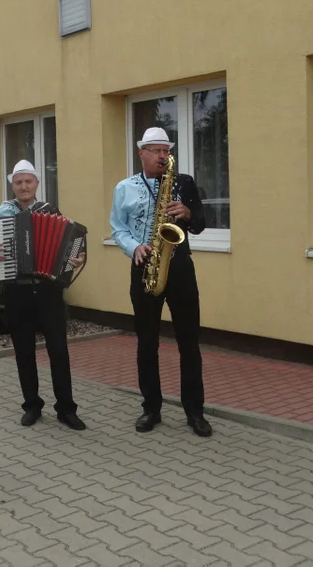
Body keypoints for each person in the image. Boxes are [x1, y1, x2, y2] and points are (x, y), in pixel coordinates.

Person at [110, 128, 212, 438]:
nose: (160, 155)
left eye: (164, 149)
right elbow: (117, 229)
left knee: (189, 343)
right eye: (154, 150)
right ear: (140, 153)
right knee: (147, 342)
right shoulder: (125, 187)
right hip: (145, 266)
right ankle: (151, 408)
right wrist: (134, 247)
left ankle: (195, 412)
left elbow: (201, 225)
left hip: (180, 266)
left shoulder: (184, 183)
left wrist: (189, 212)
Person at [0, 160, 86, 430]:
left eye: (28, 181)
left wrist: (75, 259)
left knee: (58, 350)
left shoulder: (50, 210)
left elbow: (69, 245)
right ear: (12, 185)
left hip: (48, 290)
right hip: (16, 289)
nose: (23, 186)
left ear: (36, 184)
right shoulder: (1, 212)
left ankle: (66, 409)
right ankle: (32, 405)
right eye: (18, 182)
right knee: (24, 352)